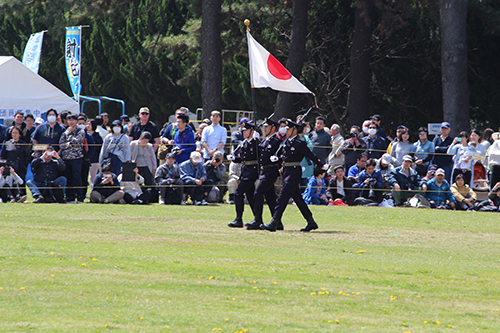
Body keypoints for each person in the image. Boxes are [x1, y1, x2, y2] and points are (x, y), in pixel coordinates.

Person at [260, 119, 324, 232]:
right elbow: (286, 158)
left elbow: (311, 154)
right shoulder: (287, 142)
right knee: (298, 199)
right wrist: (278, 159)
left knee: (282, 197)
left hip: (294, 173)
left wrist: (321, 165)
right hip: (287, 172)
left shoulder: (299, 143)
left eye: (289, 129)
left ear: (294, 130)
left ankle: (274, 222)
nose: (287, 130)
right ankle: (311, 221)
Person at [245, 117, 282, 230]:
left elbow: (281, 153)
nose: (265, 129)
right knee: (270, 197)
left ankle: (258, 220)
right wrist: (257, 140)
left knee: (258, 193)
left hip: (270, 171)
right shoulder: (265, 140)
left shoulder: (276, 140)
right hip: (264, 170)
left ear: (273, 128)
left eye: (267, 127)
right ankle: (277, 223)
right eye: (264, 127)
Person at [227, 121, 260, 227]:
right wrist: (235, 159)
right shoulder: (246, 143)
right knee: (250, 195)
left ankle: (239, 219)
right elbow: (243, 159)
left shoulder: (255, 142)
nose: (244, 133)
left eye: (246, 131)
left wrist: (258, 139)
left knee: (238, 193)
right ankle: (257, 219)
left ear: (252, 131)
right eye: (243, 131)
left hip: (252, 171)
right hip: (245, 171)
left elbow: (259, 154)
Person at [59, 114, 86, 203]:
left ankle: (79, 197)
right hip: (66, 158)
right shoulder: (65, 131)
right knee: (68, 178)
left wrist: (69, 138)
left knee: (77, 177)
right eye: (69, 120)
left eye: (73, 120)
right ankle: (70, 197)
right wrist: (69, 142)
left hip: (76, 158)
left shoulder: (80, 131)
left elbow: (78, 141)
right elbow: (61, 144)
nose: (71, 122)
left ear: (76, 121)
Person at [1, 126, 31, 195]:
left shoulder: (23, 144)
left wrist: (24, 165)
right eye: (13, 132)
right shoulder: (7, 144)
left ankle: (22, 195)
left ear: (19, 134)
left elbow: (27, 156)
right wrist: (5, 165)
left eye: (16, 133)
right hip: (9, 167)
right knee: (8, 182)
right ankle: (10, 196)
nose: (14, 134)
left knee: (20, 181)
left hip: (20, 166)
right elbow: (3, 156)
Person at [86, 119, 103, 188]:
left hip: (95, 159)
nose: (88, 126)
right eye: (87, 124)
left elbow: (99, 148)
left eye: (90, 124)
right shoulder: (85, 135)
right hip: (86, 159)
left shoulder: (97, 136)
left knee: (93, 176)